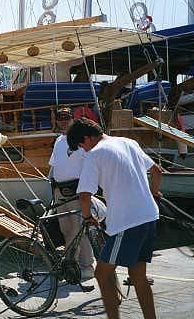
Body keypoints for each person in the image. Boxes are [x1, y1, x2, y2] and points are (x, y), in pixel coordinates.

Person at [67, 118, 162, 319]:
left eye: (81, 146)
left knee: (102, 274)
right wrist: (153, 193)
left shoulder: (94, 155)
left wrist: (88, 217)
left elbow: (84, 196)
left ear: (86, 139)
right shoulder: (128, 142)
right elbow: (156, 171)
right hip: (150, 215)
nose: (83, 151)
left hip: (127, 222)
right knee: (138, 276)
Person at [48, 107, 95, 279]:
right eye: (60, 118)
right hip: (60, 191)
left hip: (77, 191)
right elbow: (53, 166)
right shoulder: (59, 141)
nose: (63, 121)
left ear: (73, 119)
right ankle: (71, 264)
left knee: (80, 229)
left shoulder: (82, 141)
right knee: (66, 229)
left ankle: (87, 265)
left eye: (66, 117)